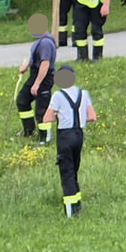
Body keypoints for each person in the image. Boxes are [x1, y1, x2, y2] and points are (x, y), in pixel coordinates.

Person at [42, 65, 97, 217]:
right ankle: (77, 205)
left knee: (66, 172)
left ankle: (70, 212)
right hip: (79, 134)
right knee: (74, 169)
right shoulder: (84, 94)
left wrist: (60, 116)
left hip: (65, 136)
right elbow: (92, 116)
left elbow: (47, 118)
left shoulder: (58, 96)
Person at [16, 13, 57, 143]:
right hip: (35, 75)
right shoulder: (39, 40)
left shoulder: (45, 43)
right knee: (22, 100)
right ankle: (29, 130)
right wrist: (26, 64)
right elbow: (35, 57)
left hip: (43, 78)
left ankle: (45, 137)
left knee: (41, 109)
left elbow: (45, 64)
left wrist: (37, 84)